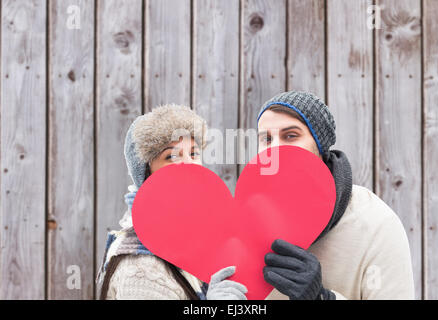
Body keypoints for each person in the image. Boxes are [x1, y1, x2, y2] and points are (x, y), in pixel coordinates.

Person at [258, 91, 415, 300]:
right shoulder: (247, 221)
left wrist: (321, 298)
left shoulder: (377, 224)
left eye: (291, 136)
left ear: (320, 146)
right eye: (266, 139)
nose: (275, 149)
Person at [96, 104, 248, 300]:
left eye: (193, 153)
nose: (189, 164)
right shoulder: (141, 266)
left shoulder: (205, 241)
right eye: (171, 156)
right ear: (147, 176)